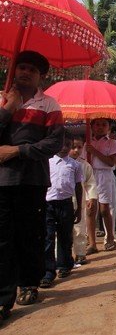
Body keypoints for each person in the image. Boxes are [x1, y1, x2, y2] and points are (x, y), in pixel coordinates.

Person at [0, 51, 64, 314]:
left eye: (32, 70)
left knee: (30, 235)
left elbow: (54, 143)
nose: (25, 72)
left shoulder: (49, 105)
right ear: (13, 70)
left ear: (42, 76)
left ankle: (29, 283)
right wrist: (8, 109)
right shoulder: (2, 100)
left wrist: (18, 151)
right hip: (3, 181)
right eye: (21, 67)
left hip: (33, 180)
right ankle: (4, 297)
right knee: (2, 239)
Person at [40, 133, 83, 288]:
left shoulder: (75, 165)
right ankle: (48, 272)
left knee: (65, 236)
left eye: (69, 145)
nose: (65, 148)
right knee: (48, 237)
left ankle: (64, 265)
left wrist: (78, 208)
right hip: (48, 204)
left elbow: (78, 187)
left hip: (66, 204)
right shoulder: (47, 161)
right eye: (62, 144)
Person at [85, 117, 116, 252]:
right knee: (90, 209)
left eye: (104, 125)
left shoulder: (111, 143)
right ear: (92, 127)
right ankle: (92, 243)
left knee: (105, 209)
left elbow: (111, 162)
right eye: (97, 124)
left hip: (105, 176)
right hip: (90, 176)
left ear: (109, 128)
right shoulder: (87, 143)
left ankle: (110, 237)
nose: (100, 127)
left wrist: (94, 152)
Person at [69, 135, 98, 263]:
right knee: (62, 230)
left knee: (79, 228)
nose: (76, 150)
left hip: (79, 200)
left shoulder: (84, 165)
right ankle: (61, 256)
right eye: (73, 147)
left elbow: (90, 183)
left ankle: (80, 253)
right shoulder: (56, 162)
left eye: (79, 147)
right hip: (61, 201)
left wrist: (91, 197)